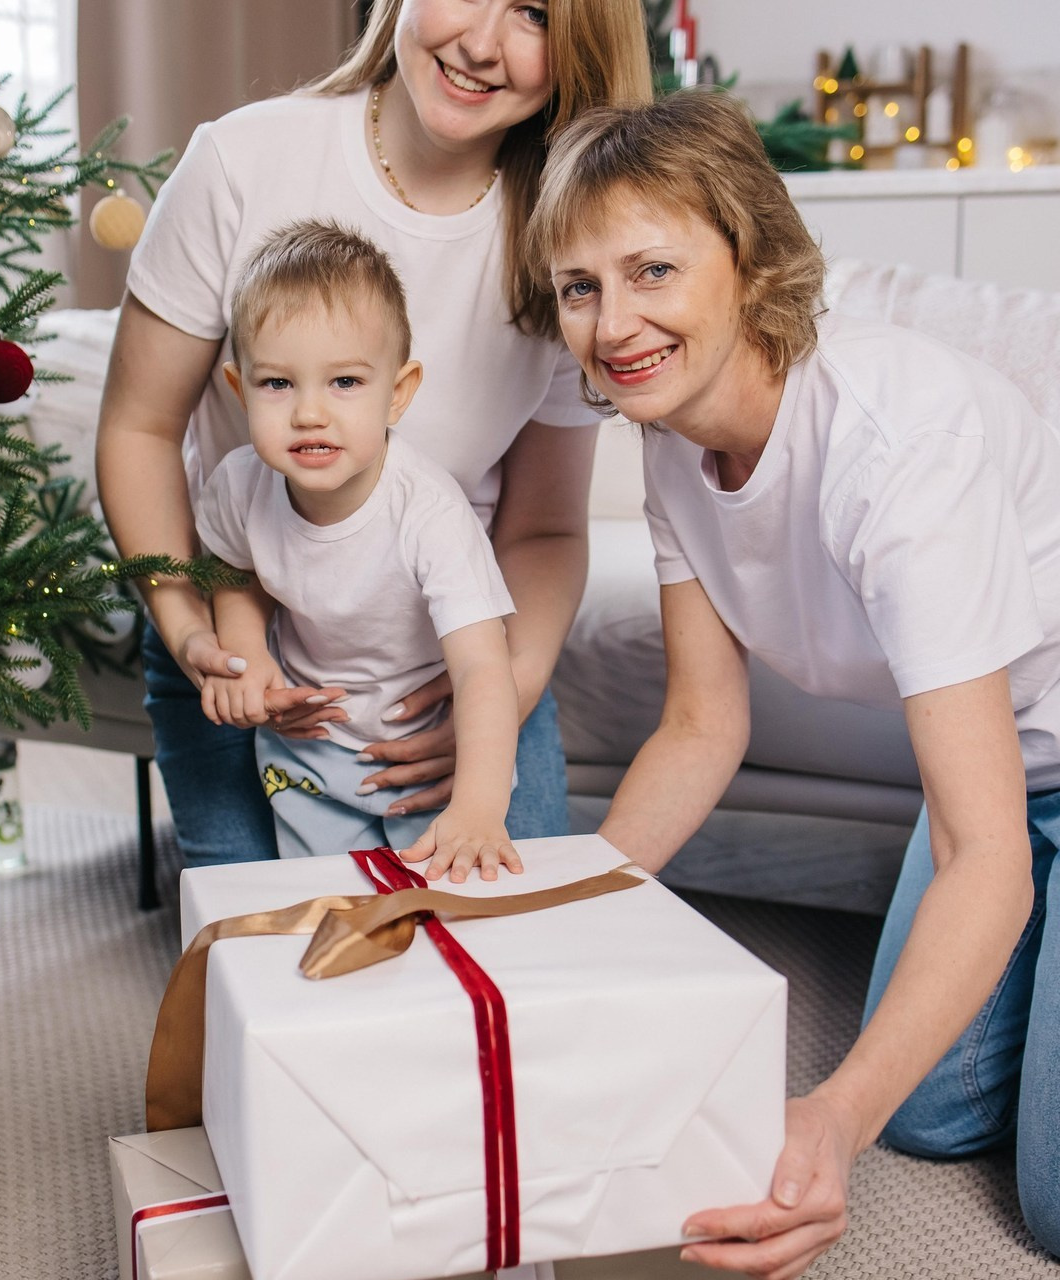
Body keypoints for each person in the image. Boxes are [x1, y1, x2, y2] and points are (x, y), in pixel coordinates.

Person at [526, 89, 1060, 1274]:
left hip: (1006, 797)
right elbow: (698, 727)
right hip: (997, 775)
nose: (614, 322)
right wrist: (565, 909)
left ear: (749, 254)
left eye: (652, 268)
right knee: (922, 1116)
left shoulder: (892, 439)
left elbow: (985, 858)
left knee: (1047, 1189)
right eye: (580, 286)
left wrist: (826, 1114)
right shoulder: (670, 442)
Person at [94, 0, 653, 868]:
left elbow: (544, 526)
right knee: (270, 960)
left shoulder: (565, 237)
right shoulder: (241, 161)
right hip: (236, 631)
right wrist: (198, 639)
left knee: (510, 948)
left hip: (460, 653)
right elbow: (138, 427)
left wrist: (498, 691)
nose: (480, 43)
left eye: (534, 14)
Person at [198, 219, 521, 883]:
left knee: (449, 902)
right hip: (309, 746)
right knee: (336, 906)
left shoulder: (428, 512)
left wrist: (480, 807)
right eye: (278, 384)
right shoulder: (238, 484)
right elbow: (232, 567)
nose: (309, 413)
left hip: (431, 746)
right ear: (240, 389)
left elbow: (485, 670)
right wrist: (248, 655)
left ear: (397, 394)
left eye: (344, 383)